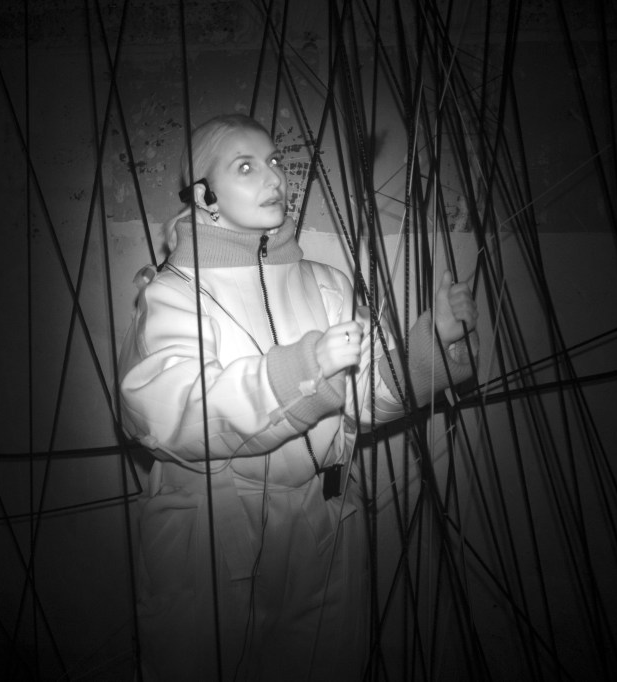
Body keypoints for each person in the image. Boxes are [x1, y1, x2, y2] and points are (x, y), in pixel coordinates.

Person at [117, 114, 478, 681]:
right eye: (245, 167)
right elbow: (168, 414)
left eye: (274, 161)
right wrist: (303, 371)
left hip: (322, 515)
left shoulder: (325, 282)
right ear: (205, 196)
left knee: (326, 660)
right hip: (214, 527)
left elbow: (363, 395)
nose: (274, 177)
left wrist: (430, 346)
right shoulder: (173, 294)